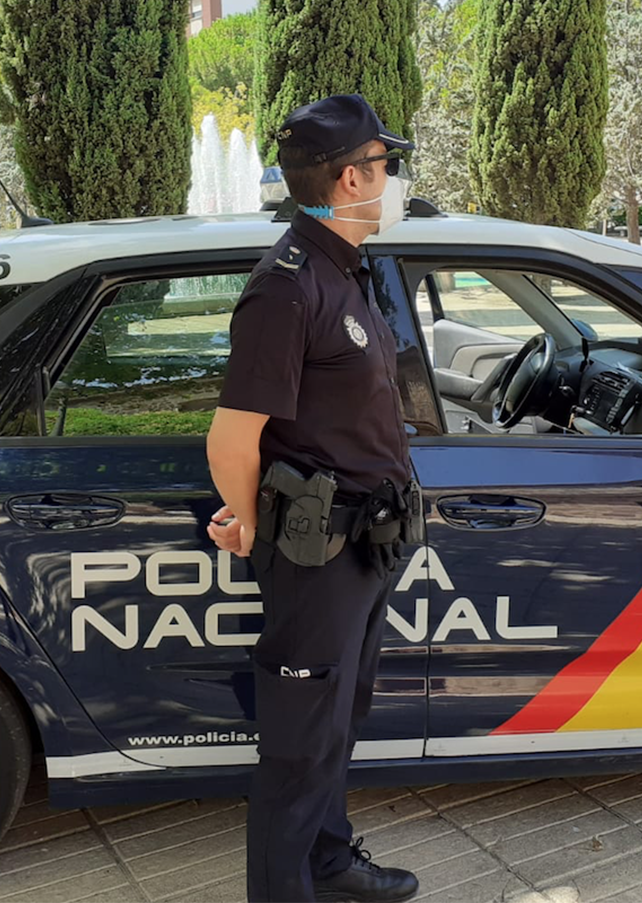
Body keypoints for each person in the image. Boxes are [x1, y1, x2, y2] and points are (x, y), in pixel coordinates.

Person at [205, 94, 422, 903]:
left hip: (365, 543)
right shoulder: (287, 288)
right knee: (299, 743)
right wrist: (252, 518)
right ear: (347, 178)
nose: (392, 179)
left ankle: (329, 863)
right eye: (384, 165)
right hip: (318, 552)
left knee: (335, 721)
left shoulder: (344, 269)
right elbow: (231, 439)